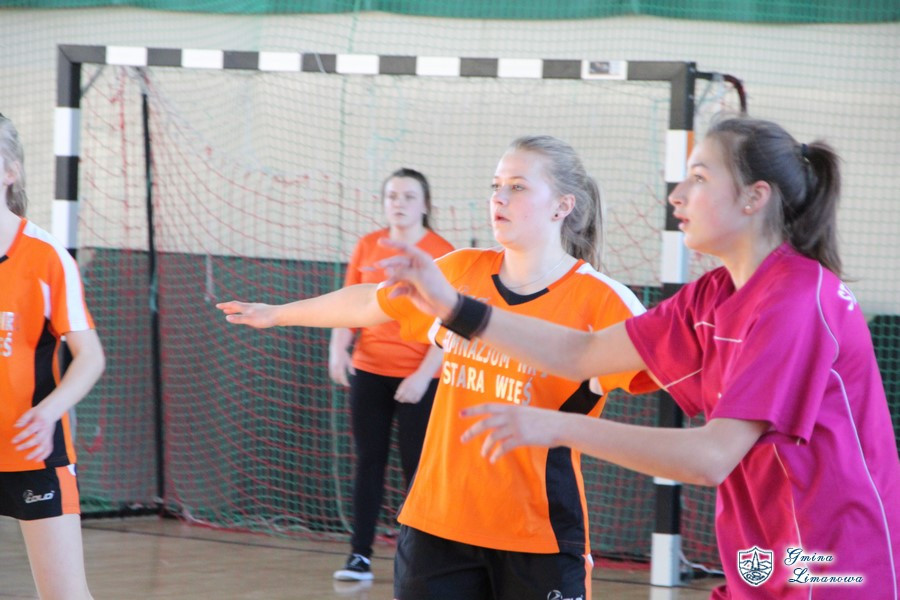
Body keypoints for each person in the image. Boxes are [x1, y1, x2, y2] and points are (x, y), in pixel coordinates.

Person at [378, 117, 900, 599]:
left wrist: (557, 426)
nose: (677, 194)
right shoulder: (713, 295)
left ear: (753, 197)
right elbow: (583, 351)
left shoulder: (796, 300)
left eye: (699, 177)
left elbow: (711, 457)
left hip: (833, 566)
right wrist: (454, 307)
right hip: (766, 557)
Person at [217, 135, 649, 599]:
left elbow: (675, 377)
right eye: (496, 185)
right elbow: (369, 302)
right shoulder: (460, 271)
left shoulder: (604, 302)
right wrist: (277, 313)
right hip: (436, 528)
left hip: (538, 536)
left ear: (562, 206)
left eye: (518, 186)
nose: (499, 197)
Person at [329, 168, 453, 582]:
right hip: (370, 371)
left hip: (422, 379)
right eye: (392, 196)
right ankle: (359, 556)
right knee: (369, 462)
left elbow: (452, 322)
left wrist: (422, 375)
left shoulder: (443, 253)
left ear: (425, 204)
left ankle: (423, 558)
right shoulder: (368, 245)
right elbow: (350, 303)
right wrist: (338, 347)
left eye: (408, 196)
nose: (398, 203)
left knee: (418, 468)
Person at [0, 114, 105, 600]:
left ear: (10, 171)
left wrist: (47, 412)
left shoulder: (45, 257)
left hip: (32, 452)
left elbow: (90, 357)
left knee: (64, 594)